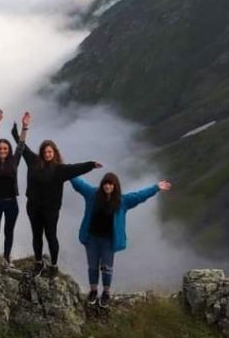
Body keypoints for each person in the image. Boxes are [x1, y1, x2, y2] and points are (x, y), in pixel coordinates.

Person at [16, 120, 102, 278]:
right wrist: (22, 128)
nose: (47, 154)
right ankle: (38, 263)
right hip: (34, 207)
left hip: (51, 210)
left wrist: (91, 164)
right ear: (41, 153)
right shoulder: (33, 161)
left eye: (50, 152)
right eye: (45, 152)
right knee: (36, 236)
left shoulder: (60, 170)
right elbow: (21, 145)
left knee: (51, 236)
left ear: (54, 153)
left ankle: (54, 266)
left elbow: (76, 168)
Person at [71, 173, 172, 304]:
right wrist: (66, 171)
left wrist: (156, 188)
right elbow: (79, 184)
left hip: (108, 241)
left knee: (107, 267)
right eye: (105, 184)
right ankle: (93, 290)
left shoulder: (122, 201)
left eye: (110, 184)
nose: (107, 186)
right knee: (92, 266)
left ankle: (106, 292)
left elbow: (139, 196)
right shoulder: (93, 195)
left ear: (115, 186)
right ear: (102, 185)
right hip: (92, 239)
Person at [0, 109, 29, 269]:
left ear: (9, 150)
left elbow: (21, 145)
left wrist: (25, 127)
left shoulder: (14, 161)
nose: (2, 150)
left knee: (8, 232)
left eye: (5, 148)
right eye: (0, 148)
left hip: (12, 203)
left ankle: (6, 258)